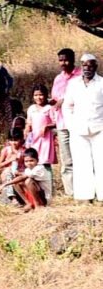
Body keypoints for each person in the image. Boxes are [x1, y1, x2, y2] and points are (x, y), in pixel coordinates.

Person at [62, 53, 103, 202]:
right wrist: (71, 126)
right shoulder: (73, 84)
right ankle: (86, 196)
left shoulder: (101, 83)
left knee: (101, 162)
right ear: (81, 66)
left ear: (95, 66)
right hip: (78, 129)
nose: (87, 68)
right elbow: (67, 106)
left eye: (90, 65)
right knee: (82, 162)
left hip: (100, 129)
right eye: (84, 65)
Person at [51, 48, 81, 197]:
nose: (63, 63)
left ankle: (86, 189)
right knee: (67, 160)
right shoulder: (58, 79)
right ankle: (71, 193)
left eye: (66, 60)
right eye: (60, 60)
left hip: (79, 123)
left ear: (73, 59)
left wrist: (65, 100)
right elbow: (55, 99)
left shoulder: (81, 75)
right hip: (62, 124)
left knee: (82, 157)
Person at [0, 148, 51, 212]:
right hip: (36, 195)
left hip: (44, 198)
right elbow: (21, 178)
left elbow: (23, 177)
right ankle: (29, 204)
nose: (29, 163)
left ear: (37, 160)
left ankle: (38, 205)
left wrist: (5, 184)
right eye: (26, 161)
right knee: (16, 183)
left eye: (31, 160)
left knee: (28, 181)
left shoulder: (39, 168)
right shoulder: (28, 170)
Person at [26, 83, 57, 188]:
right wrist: (26, 129)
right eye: (35, 95)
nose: (38, 97)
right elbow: (29, 122)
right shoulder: (31, 109)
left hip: (45, 140)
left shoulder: (49, 108)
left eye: (41, 95)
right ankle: (36, 186)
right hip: (34, 139)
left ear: (45, 95)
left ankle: (48, 186)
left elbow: (55, 122)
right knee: (34, 161)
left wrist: (47, 127)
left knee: (44, 162)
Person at [0, 127, 26, 205]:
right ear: (8, 140)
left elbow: (25, 163)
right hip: (8, 173)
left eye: (16, 140)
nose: (13, 143)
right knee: (8, 172)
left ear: (21, 139)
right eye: (11, 140)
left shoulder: (24, 150)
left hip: (19, 172)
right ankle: (12, 197)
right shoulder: (6, 150)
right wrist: (10, 160)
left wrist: (16, 153)